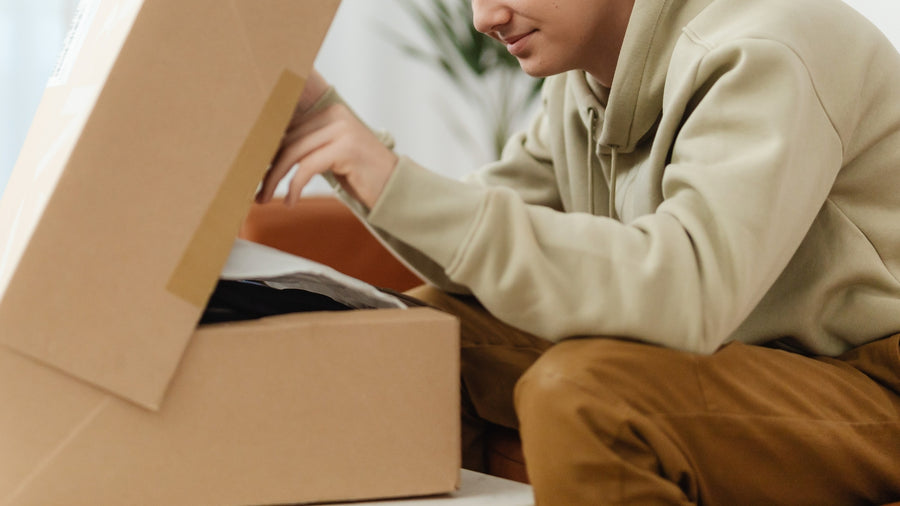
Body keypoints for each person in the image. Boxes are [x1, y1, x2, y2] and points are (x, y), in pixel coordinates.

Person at [257, 0, 900, 503]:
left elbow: (689, 288)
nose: (484, 19)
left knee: (582, 396)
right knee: (421, 335)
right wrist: (342, 141)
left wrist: (386, 175)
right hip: (740, 357)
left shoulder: (769, 45)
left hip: (868, 377)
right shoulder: (586, 81)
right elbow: (473, 246)